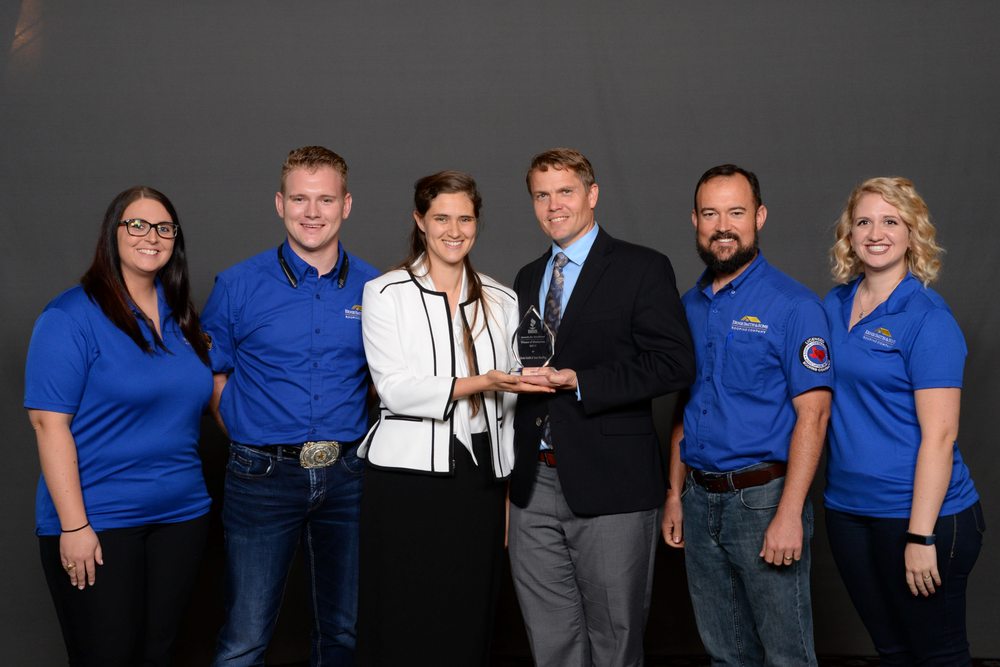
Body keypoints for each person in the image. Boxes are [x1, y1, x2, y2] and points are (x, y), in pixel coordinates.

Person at [507, 148, 695, 666]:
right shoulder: (527, 277)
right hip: (534, 485)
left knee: (615, 638)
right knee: (550, 640)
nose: (553, 205)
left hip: (611, 482)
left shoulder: (641, 267)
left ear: (592, 195)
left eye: (565, 191)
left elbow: (674, 364)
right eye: (541, 195)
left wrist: (580, 382)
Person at [356, 170, 550, 666]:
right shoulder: (385, 293)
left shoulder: (503, 299)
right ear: (420, 220)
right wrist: (482, 381)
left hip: (480, 477)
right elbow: (394, 390)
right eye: (441, 217)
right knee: (402, 608)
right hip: (404, 477)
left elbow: (511, 404)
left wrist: (510, 488)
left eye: (465, 218)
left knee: (467, 608)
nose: (454, 230)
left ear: (477, 223)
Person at [202, 146, 379, 666]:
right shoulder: (237, 285)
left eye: (325, 199)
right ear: (280, 203)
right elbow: (215, 375)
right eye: (300, 199)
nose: (312, 212)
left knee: (343, 631)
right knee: (245, 636)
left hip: (349, 476)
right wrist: (243, 437)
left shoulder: (378, 288)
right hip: (262, 475)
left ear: (346, 205)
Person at [24, 186, 212, 666]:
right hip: (100, 522)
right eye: (137, 225)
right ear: (114, 233)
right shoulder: (69, 316)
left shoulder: (181, 317)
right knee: (107, 656)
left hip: (181, 517)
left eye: (164, 227)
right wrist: (76, 526)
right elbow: (49, 425)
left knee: (160, 653)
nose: (152, 236)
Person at [663, 164, 832, 666]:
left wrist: (788, 515)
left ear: (758, 216)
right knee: (725, 653)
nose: (723, 225)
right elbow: (682, 405)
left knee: (787, 656)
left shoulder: (794, 305)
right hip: (698, 498)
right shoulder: (686, 307)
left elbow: (815, 415)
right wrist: (674, 494)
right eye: (711, 213)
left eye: (736, 212)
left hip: (764, 501)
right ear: (694, 219)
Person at [823, 177, 984, 664]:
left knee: (937, 655)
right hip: (848, 510)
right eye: (864, 221)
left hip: (918, 515)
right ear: (849, 235)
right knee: (892, 651)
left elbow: (940, 436)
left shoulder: (927, 318)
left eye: (891, 221)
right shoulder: (831, 307)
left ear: (913, 233)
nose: (876, 232)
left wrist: (920, 536)